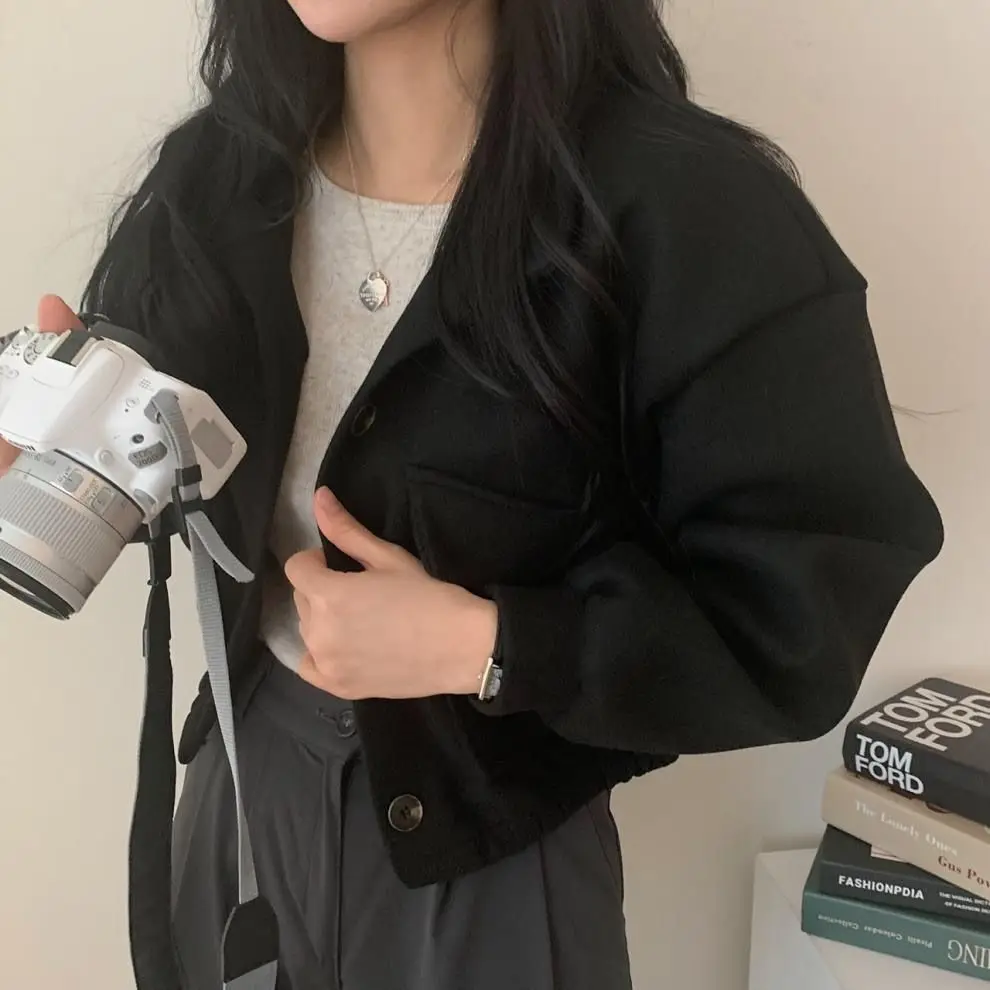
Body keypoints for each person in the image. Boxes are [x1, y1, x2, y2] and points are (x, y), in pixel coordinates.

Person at [7, 0, 944, 987]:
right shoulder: (217, 177)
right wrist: (61, 443)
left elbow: (802, 617)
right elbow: (162, 447)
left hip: (491, 859)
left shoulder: (695, 210)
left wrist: (488, 646)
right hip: (239, 803)